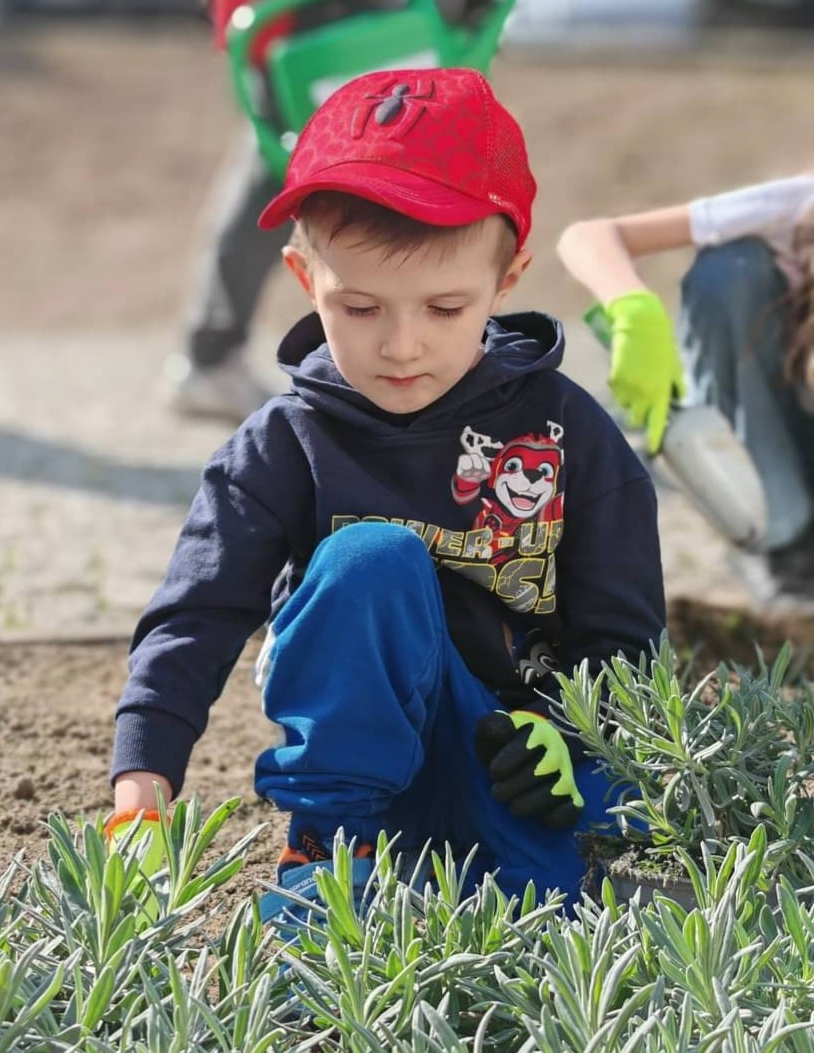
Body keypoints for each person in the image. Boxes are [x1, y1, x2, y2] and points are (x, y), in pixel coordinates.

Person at [110, 67, 666, 914]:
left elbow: (626, 632)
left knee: (537, 928)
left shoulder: (570, 433)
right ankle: (329, 854)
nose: (402, 346)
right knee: (373, 557)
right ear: (304, 277)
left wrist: (574, 738)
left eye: (445, 308)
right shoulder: (286, 441)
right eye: (360, 307)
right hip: (357, 779)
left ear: (508, 278)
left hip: (523, 767)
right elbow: (197, 611)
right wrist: (142, 778)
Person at [168, 0, 514, 419]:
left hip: (343, 27)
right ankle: (215, 354)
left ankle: (216, 354)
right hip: (329, 27)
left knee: (330, 176)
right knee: (301, 176)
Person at [557, 174, 814, 603]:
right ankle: (780, 540)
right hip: (775, 434)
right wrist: (633, 309)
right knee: (730, 270)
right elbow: (587, 237)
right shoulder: (797, 209)